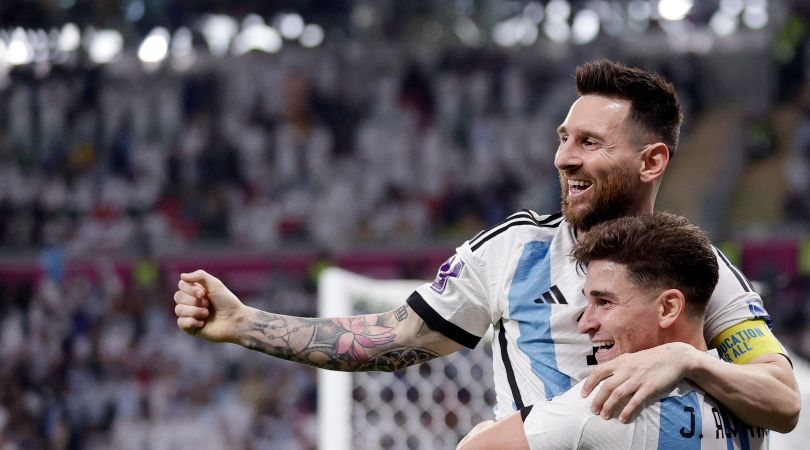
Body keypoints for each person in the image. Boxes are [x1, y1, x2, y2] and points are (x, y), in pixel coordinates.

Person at [174, 60, 799, 431]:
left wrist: (688, 362)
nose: (564, 158)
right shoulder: (512, 252)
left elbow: (782, 400)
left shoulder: (699, 270)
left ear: (652, 159)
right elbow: (387, 342)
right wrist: (246, 322)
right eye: (563, 138)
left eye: (589, 143)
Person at [456, 212, 768, 449]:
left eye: (604, 302)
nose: (584, 323)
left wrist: (482, 433)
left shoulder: (606, 406)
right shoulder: (750, 401)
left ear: (668, 308)